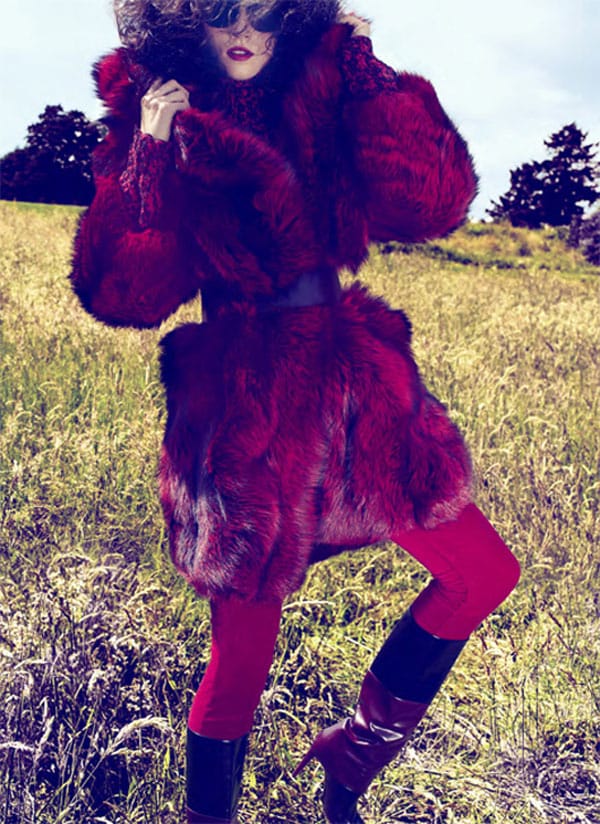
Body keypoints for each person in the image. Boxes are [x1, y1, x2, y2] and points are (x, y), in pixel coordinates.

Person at [71, 1, 521, 821]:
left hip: (355, 397)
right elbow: (124, 294)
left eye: (265, 12)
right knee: (242, 663)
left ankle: (350, 762)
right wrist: (150, 152)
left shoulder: (326, 90)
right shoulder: (156, 107)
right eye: (222, 12)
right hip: (244, 414)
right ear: (182, 21)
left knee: (484, 573)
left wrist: (366, 73)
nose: (245, 31)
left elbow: (434, 203)